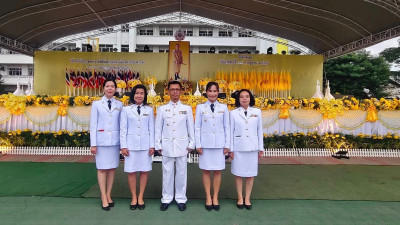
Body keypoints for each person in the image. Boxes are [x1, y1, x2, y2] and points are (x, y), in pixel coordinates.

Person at [155, 80, 195, 211]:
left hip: (182, 145)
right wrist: (158, 144)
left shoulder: (186, 108)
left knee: (182, 173)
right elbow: (158, 128)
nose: (175, 92)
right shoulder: (161, 109)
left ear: (181, 91)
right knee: (167, 172)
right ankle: (166, 198)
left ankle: (181, 198)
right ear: (168, 91)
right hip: (166, 144)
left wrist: (192, 143)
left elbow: (190, 127)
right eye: (172, 89)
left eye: (177, 89)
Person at [195, 82, 230, 211]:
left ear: (218, 92)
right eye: (210, 91)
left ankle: (215, 197)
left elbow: (227, 127)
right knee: (205, 170)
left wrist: (227, 145)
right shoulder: (200, 107)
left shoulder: (224, 107)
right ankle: (208, 197)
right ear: (206, 92)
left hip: (219, 144)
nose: (212, 93)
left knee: (217, 171)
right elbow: (197, 127)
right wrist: (198, 144)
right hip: (205, 144)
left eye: (215, 91)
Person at [90, 79, 123, 211]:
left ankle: (109, 195)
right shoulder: (97, 104)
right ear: (103, 89)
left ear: (115, 89)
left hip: (114, 142)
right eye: (107, 86)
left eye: (112, 86)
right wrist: (93, 144)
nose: (110, 88)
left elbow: (122, 125)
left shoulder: (120, 104)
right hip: (101, 141)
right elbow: (93, 124)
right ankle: (103, 196)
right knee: (102, 169)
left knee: (112, 168)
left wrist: (122, 143)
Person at [120, 84, 155, 210]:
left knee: (144, 171)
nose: (139, 95)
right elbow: (123, 129)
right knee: (131, 171)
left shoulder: (149, 110)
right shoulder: (126, 110)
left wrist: (152, 146)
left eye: (141, 93)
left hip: (145, 146)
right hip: (131, 146)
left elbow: (152, 129)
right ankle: (134, 197)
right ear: (133, 95)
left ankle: (141, 196)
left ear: (145, 95)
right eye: (137, 93)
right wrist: (123, 146)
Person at [229, 89, 263, 210]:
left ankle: (247, 198)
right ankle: (240, 197)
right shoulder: (233, 113)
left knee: (250, 174)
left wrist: (261, 147)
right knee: (238, 174)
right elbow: (230, 131)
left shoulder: (257, 112)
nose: (244, 99)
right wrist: (231, 149)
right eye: (242, 97)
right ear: (238, 99)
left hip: (252, 147)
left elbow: (260, 130)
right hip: (238, 147)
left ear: (250, 98)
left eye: (247, 96)